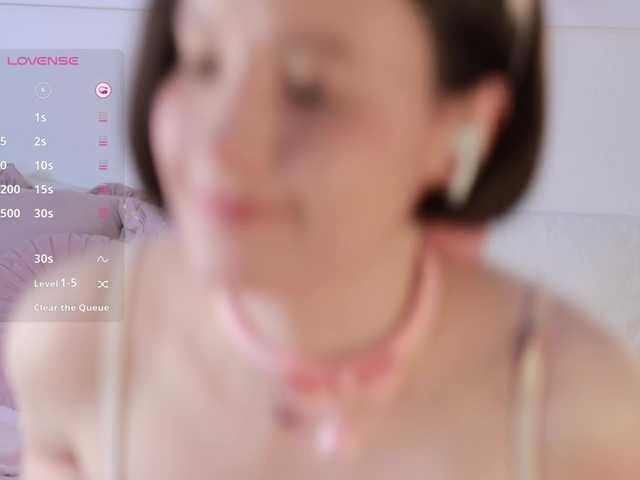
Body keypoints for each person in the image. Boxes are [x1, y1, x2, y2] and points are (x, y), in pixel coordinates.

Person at [6, 0, 640, 478]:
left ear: (466, 128)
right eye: (202, 61)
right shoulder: (72, 347)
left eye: (309, 89)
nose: (219, 142)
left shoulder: (577, 410)